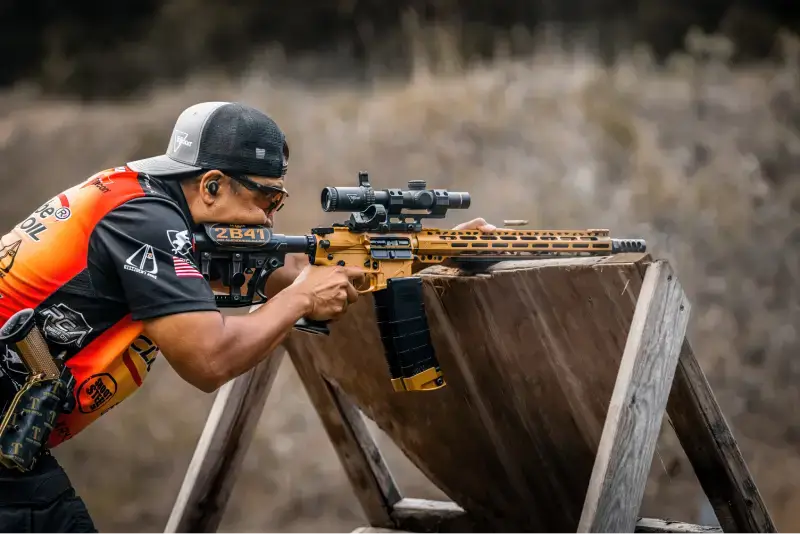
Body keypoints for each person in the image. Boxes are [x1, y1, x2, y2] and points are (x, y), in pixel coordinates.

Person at [0, 101, 495, 532]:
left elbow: (295, 265)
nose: (270, 219)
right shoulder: (145, 223)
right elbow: (207, 360)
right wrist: (299, 300)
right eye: (267, 199)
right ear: (212, 186)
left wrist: (426, 251)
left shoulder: (146, 202)